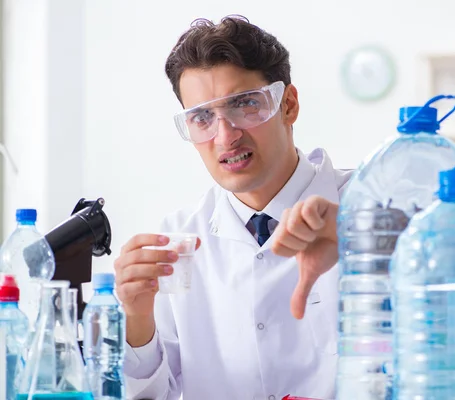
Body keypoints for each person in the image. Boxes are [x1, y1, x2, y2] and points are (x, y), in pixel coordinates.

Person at [115, 15, 351, 400]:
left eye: (245, 105)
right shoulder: (176, 242)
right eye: (202, 117)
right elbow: (153, 394)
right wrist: (136, 319)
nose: (225, 136)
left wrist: (367, 236)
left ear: (288, 105)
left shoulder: (368, 207)